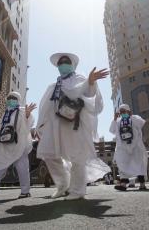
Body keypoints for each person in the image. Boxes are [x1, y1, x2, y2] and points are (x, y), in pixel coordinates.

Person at [36, 53, 110, 200]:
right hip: (55, 125)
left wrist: (90, 82)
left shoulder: (80, 79)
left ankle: (78, 191)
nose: (63, 64)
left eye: (66, 61)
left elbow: (86, 93)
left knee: (77, 157)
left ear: (72, 64)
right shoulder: (53, 85)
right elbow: (45, 106)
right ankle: (63, 184)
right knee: (49, 154)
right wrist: (40, 126)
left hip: (74, 124)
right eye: (60, 63)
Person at [110, 104, 148, 191]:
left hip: (136, 146)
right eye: (121, 112)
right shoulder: (118, 121)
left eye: (124, 111)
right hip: (123, 147)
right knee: (123, 164)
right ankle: (123, 184)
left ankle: (142, 184)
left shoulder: (134, 118)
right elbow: (112, 130)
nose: (123, 113)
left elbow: (141, 123)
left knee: (139, 164)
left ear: (128, 111)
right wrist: (115, 118)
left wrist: (131, 115)